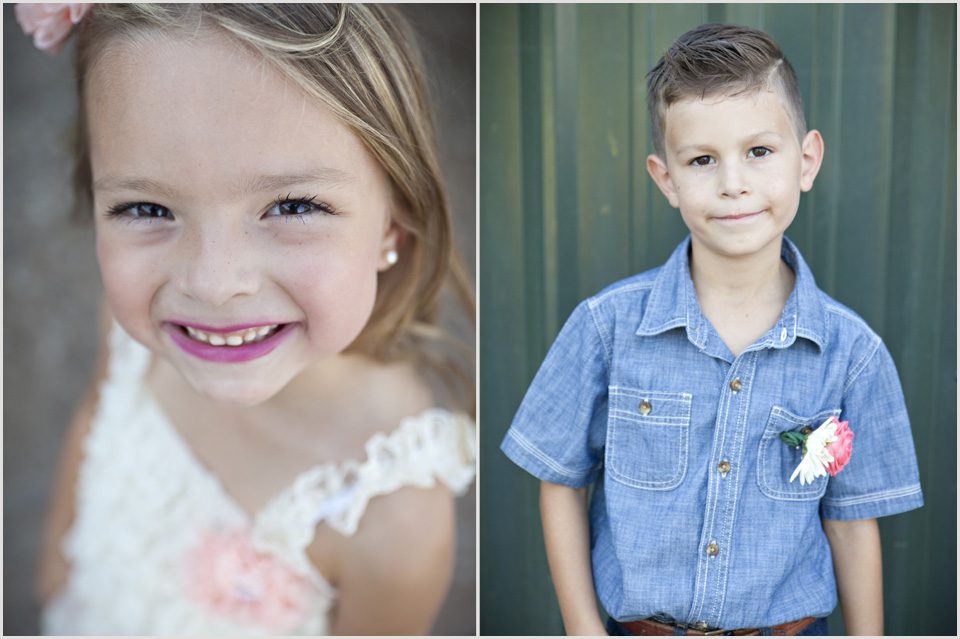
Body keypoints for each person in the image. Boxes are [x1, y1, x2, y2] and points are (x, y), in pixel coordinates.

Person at [22, 3, 476, 635]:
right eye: (146, 208)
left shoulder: (392, 512)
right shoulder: (132, 333)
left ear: (392, 225)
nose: (213, 285)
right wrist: (54, 581)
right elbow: (93, 423)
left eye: (291, 206)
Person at [501, 23, 922, 637]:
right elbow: (560, 482)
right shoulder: (607, 328)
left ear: (806, 161)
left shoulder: (852, 354)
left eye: (759, 151)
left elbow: (852, 524)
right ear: (666, 179)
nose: (733, 183)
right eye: (702, 160)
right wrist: (584, 631)